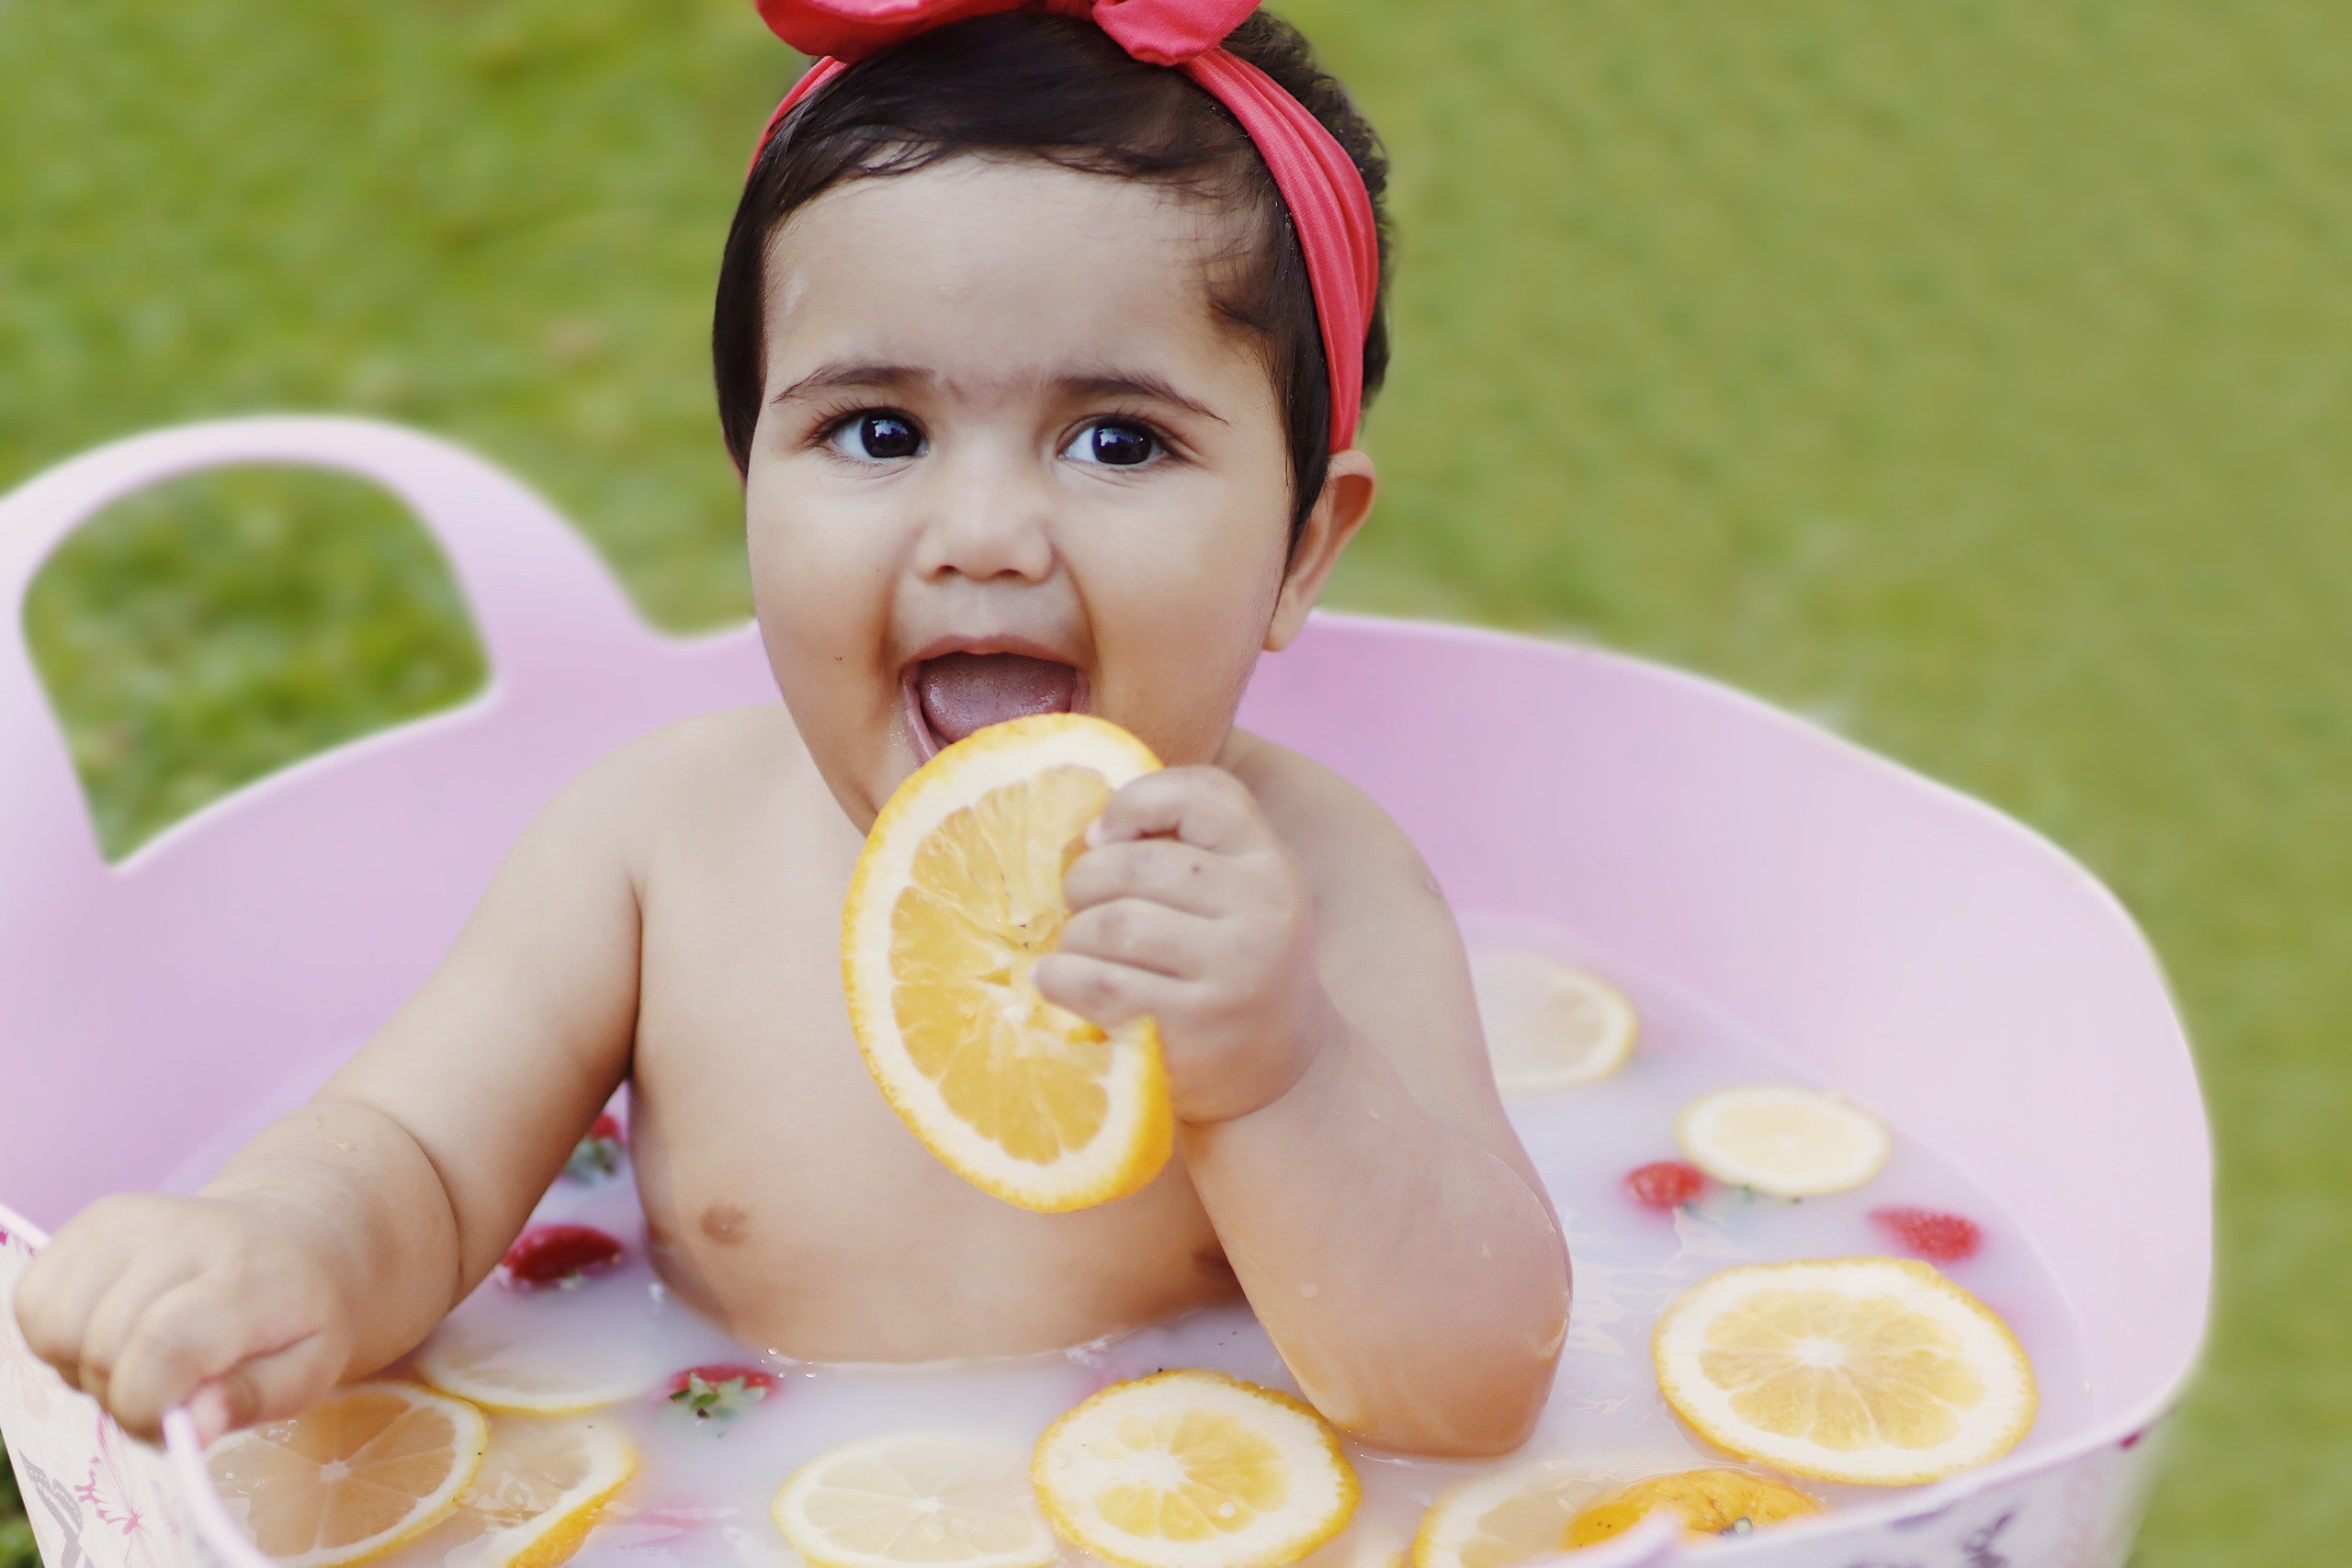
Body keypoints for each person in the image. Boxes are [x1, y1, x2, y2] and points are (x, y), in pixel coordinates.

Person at [12, 0, 1570, 1459]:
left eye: (1117, 440)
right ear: (749, 476)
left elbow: (1473, 1388)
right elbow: (411, 1162)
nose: (985, 533)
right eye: (876, 432)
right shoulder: (653, 850)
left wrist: (1279, 1071)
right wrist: (284, 1252)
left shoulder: (1316, 896)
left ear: (1304, 544)